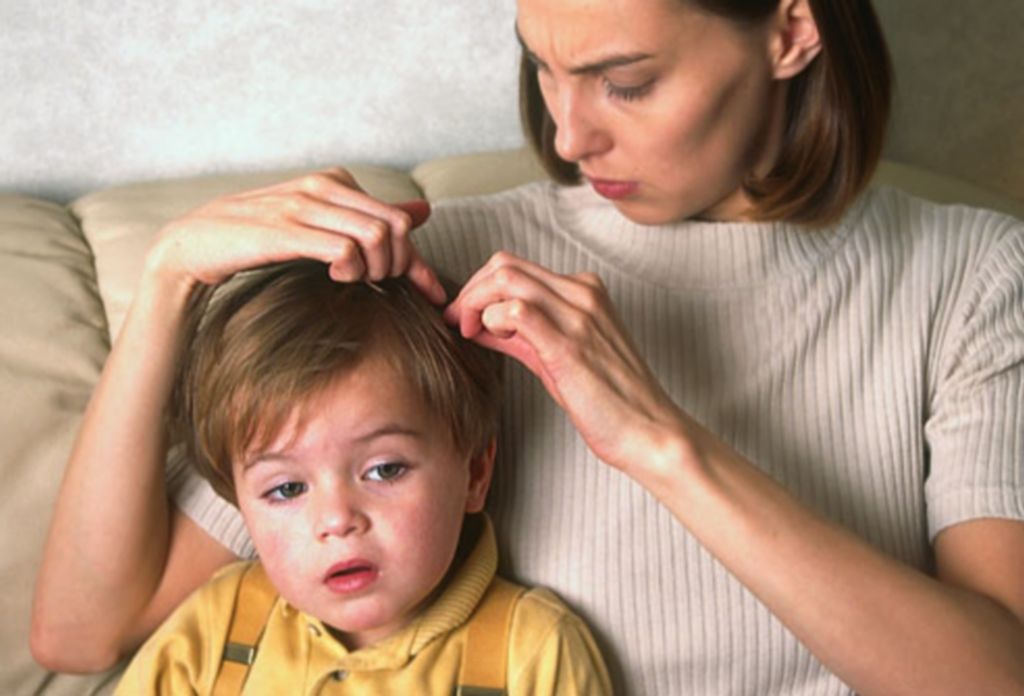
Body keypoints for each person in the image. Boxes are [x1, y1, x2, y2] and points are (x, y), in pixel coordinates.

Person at [33, 0, 1024, 694]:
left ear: (791, 32)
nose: (568, 135)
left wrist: (660, 445)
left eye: (624, 83)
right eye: (543, 67)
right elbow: (82, 633)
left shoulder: (976, 274)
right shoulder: (449, 269)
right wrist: (169, 279)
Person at [115, 262, 612, 694]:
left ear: (476, 473)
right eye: (287, 489)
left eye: (384, 470)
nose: (337, 519)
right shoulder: (218, 624)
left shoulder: (533, 650)